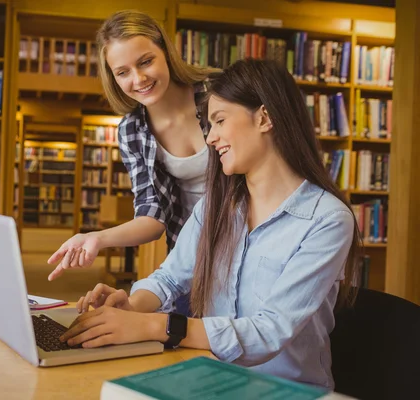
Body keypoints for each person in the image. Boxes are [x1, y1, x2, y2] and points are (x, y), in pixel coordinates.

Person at [59, 58, 362, 390]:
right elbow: (169, 278)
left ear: (264, 117)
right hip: (213, 381)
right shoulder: (216, 207)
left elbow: (269, 332)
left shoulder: (328, 221)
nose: (211, 138)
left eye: (219, 121)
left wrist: (153, 327)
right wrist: (130, 308)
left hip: (285, 392)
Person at [47, 10, 219, 293]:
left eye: (146, 61)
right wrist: (97, 238)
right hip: (192, 255)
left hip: (251, 241)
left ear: (165, 51)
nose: (138, 79)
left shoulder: (219, 91)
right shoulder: (131, 130)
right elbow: (152, 216)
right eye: (123, 72)